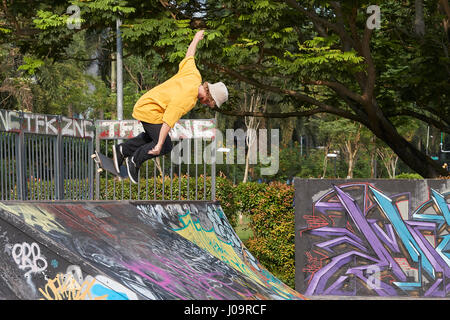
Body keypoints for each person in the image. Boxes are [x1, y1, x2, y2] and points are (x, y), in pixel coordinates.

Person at [112, 30, 228, 184]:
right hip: (151, 110)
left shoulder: (194, 75)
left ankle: (122, 150)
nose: (205, 103)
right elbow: (168, 120)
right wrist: (159, 145)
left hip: (148, 103)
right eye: (208, 102)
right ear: (209, 95)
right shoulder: (189, 98)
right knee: (165, 144)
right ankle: (134, 160)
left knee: (151, 137)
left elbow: (189, 56)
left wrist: (195, 39)